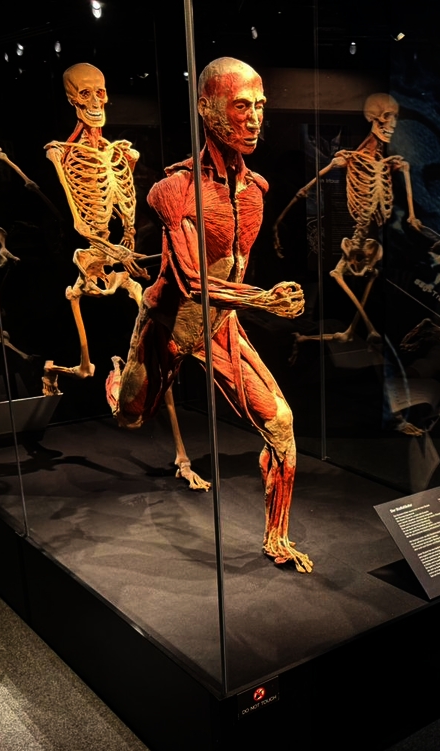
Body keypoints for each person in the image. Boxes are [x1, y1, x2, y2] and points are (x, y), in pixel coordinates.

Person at [107, 57, 312, 573]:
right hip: (168, 325)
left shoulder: (257, 191)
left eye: (259, 106)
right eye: (241, 106)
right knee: (130, 415)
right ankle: (117, 375)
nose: (255, 119)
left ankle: (276, 538)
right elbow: (190, 282)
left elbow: (230, 273)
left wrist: (251, 303)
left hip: (220, 326)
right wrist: (263, 300)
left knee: (281, 424)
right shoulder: (173, 190)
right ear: (206, 108)